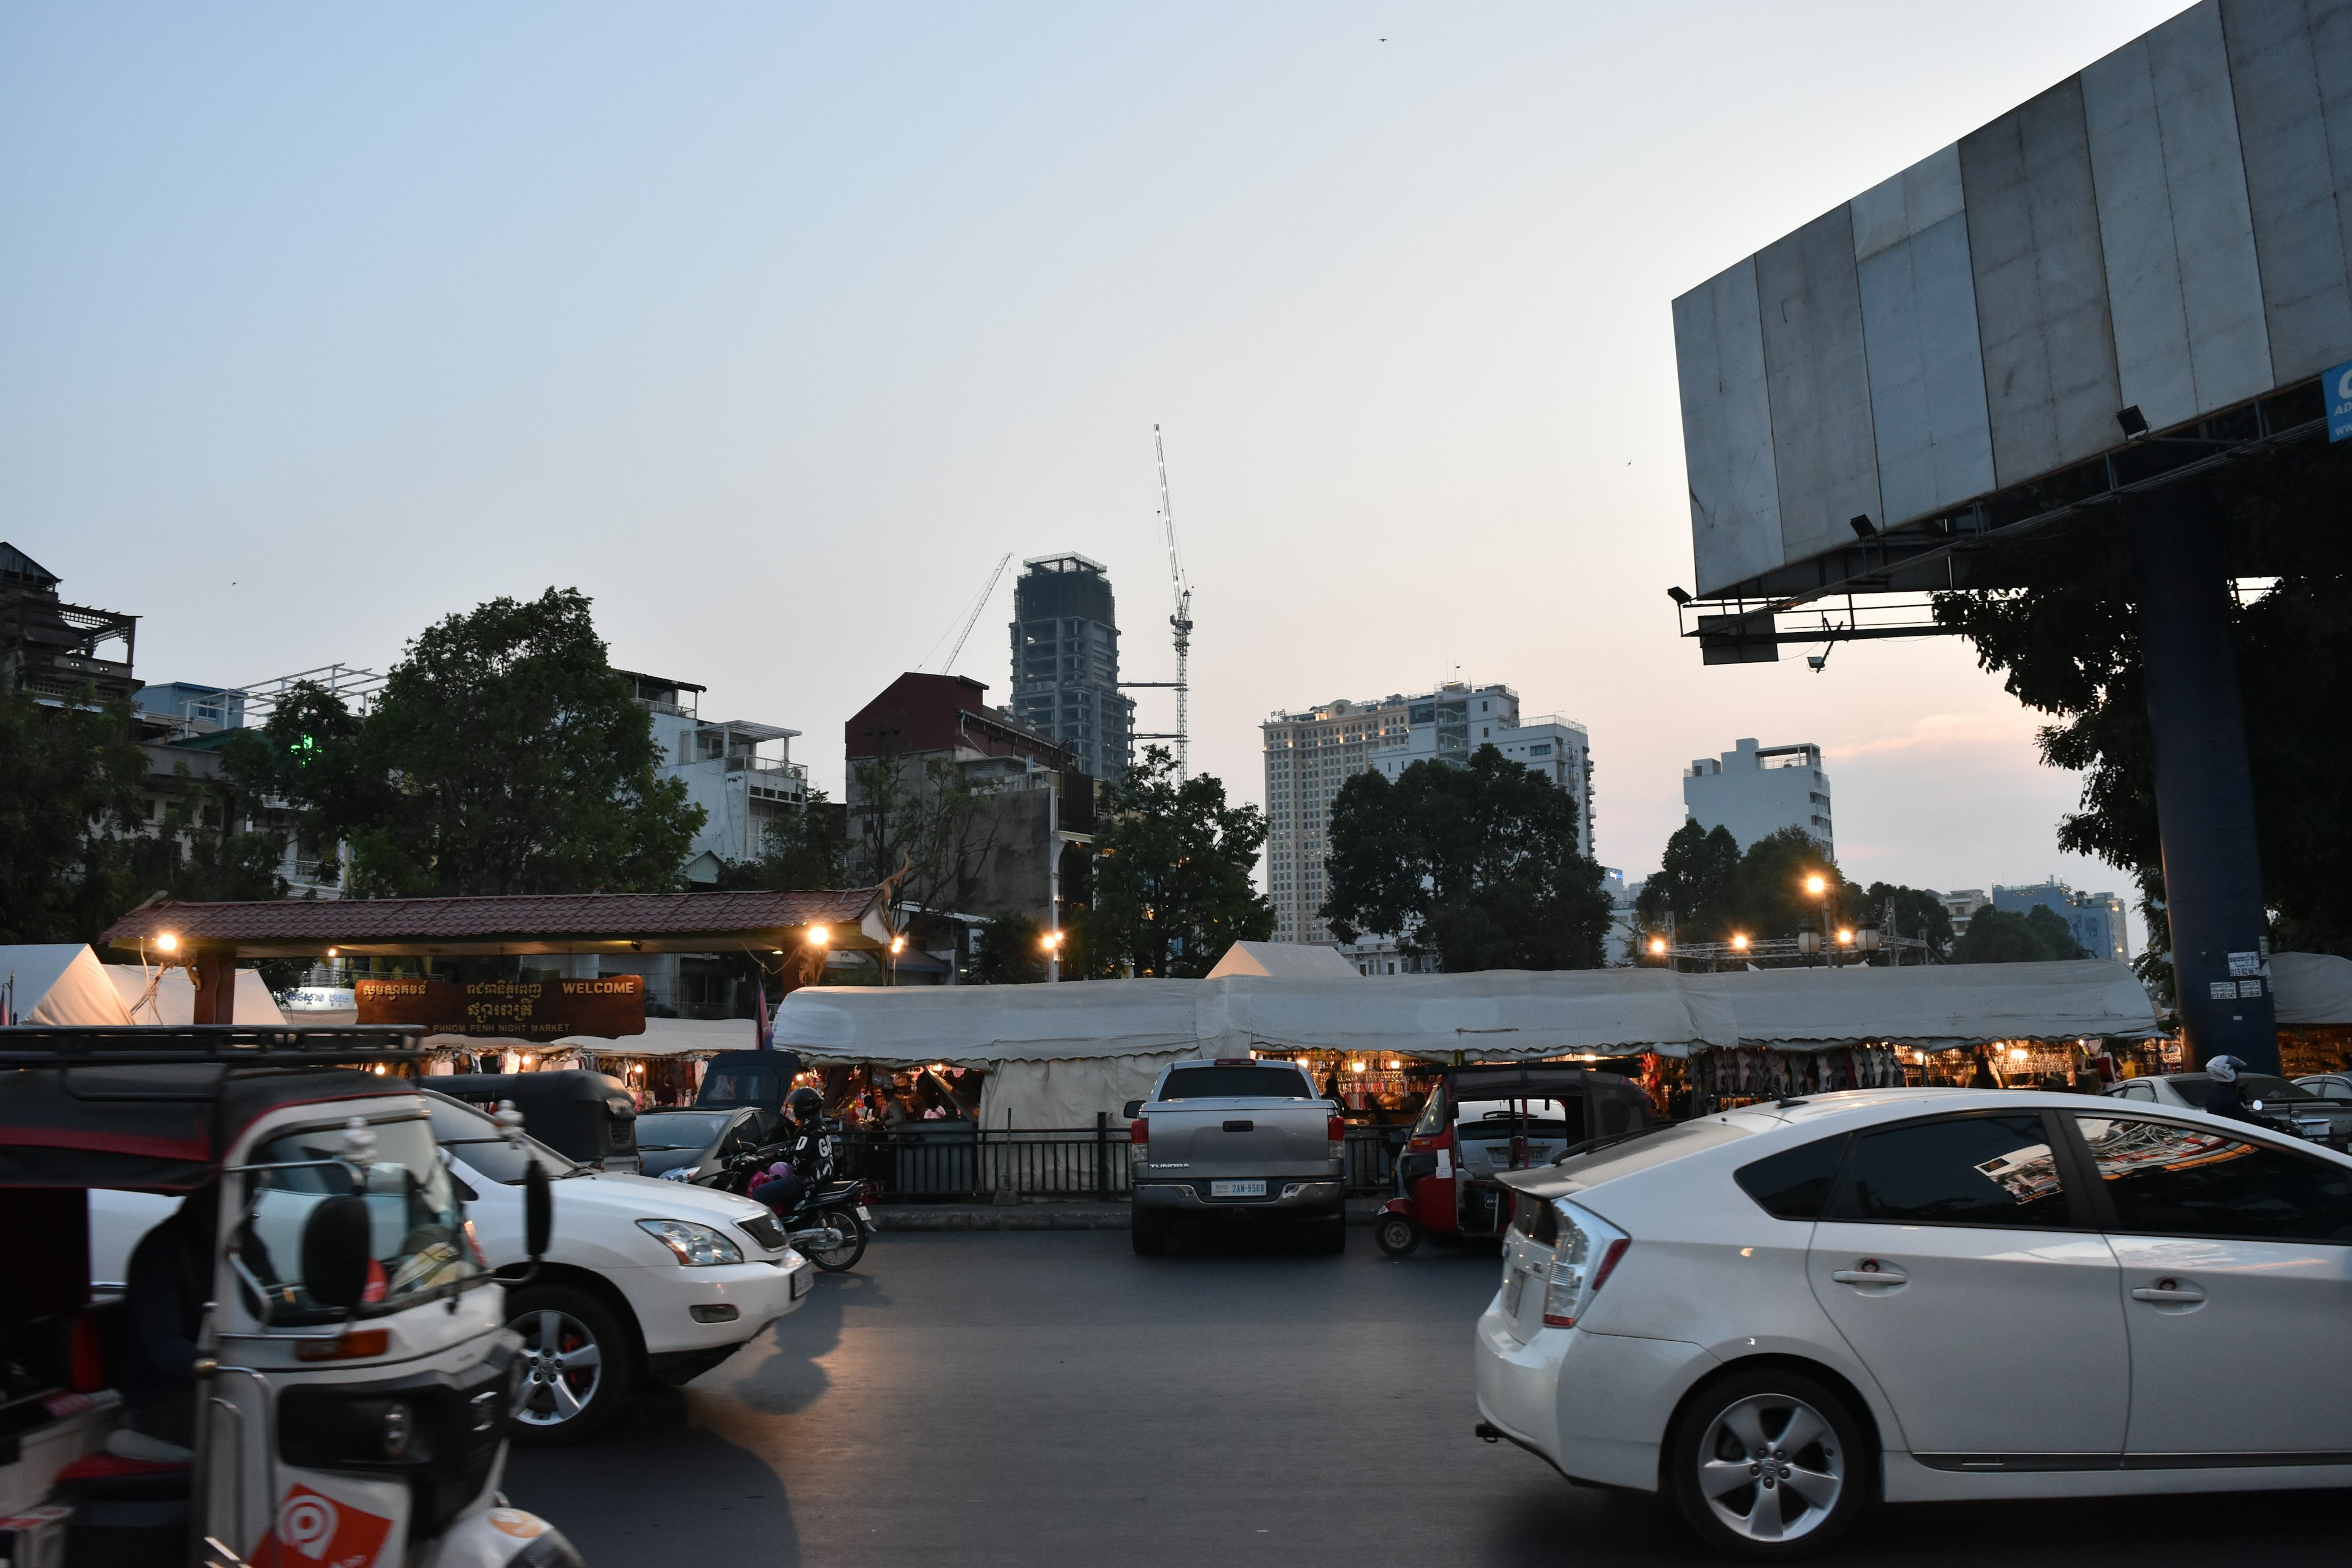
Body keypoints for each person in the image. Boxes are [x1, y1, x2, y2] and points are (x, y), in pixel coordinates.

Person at [121, 1185, 219, 1453]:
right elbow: (165, 1347)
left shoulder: (239, 1244)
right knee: (250, 1427)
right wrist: (225, 1368)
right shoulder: (160, 1251)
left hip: (208, 1386)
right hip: (159, 1396)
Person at [750, 1088, 829, 1219]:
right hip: (823, 1175)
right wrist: (775, 1155)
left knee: (761, 1192)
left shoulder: (809, 1129)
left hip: (809, 1179)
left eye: (796, 1107)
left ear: (803, 1109)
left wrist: (779, 1159)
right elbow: (797, 1147)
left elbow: (800, 1155)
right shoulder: (819, 1125)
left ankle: (773, 1230)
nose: (794, 1110)